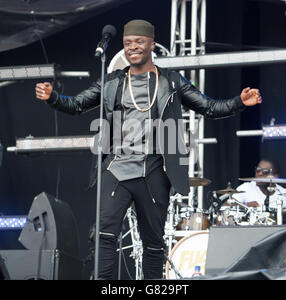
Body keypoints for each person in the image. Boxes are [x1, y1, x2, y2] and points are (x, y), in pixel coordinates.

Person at [35, 19, 262, 279]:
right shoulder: (111, 82)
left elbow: (209, 107)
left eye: (139, 42)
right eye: (128, 43)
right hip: (117, 167)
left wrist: (239, 102)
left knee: (153, 244)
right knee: (103, 235)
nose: (133, 47)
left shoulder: (172, 82)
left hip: (154, 169)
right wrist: (53, 98)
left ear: (152, 44)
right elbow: (76, 104)